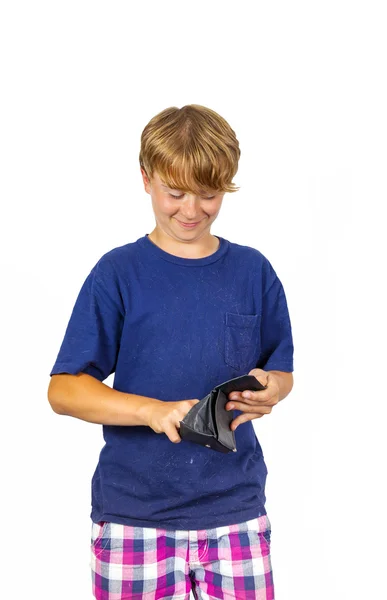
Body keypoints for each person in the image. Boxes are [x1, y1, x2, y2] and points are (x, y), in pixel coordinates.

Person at [47, 104, 294, 600]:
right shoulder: (117, 273)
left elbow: (281, 371)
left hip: (235, 512)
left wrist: (272, 390)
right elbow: (63, 390)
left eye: (208, 194)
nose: (190, 209)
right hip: (134, 515)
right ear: (146, 178)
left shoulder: (254, 272)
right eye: (174, 192)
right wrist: (151, 411)